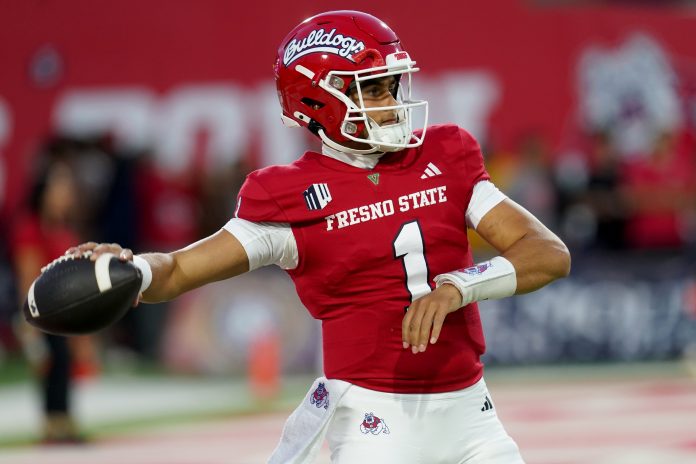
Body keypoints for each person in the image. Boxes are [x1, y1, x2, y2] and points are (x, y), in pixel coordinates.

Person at [66, 11, 570, 463]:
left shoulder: (445, 155)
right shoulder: (287, 195)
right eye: (372, 88)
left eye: (392, 85)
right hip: (376, 427)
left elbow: (547, 254)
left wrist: (460, 286)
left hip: (473, 416)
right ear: (318, 100)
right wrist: (131, 268)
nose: (392, 103)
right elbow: (177, 271)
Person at [11, 150, 89, 443]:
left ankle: (64, 420)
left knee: (65, 364)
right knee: (51, 365)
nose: (66, 194)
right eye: (60, 187)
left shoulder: (63, 228)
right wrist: (29, 322)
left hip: (66, 309)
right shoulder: (31, 227)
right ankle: (52, 424)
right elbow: (27, 275)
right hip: (44, 310)